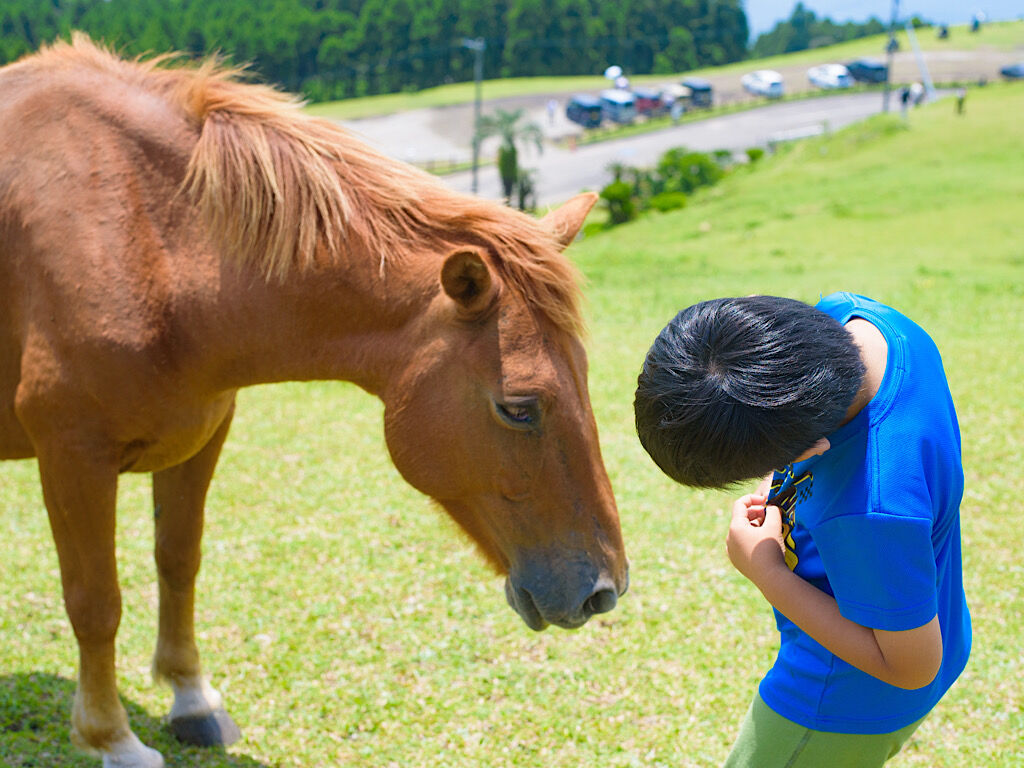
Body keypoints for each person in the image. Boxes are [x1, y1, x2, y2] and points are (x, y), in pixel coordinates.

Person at [634, 293, 971, 767]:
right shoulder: (860, 321)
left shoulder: (871, 511)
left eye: (776, 462)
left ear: (815, 447)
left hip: (841, 698)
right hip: (918, 625)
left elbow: (913, 667)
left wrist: (766, 569)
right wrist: (779, 473)